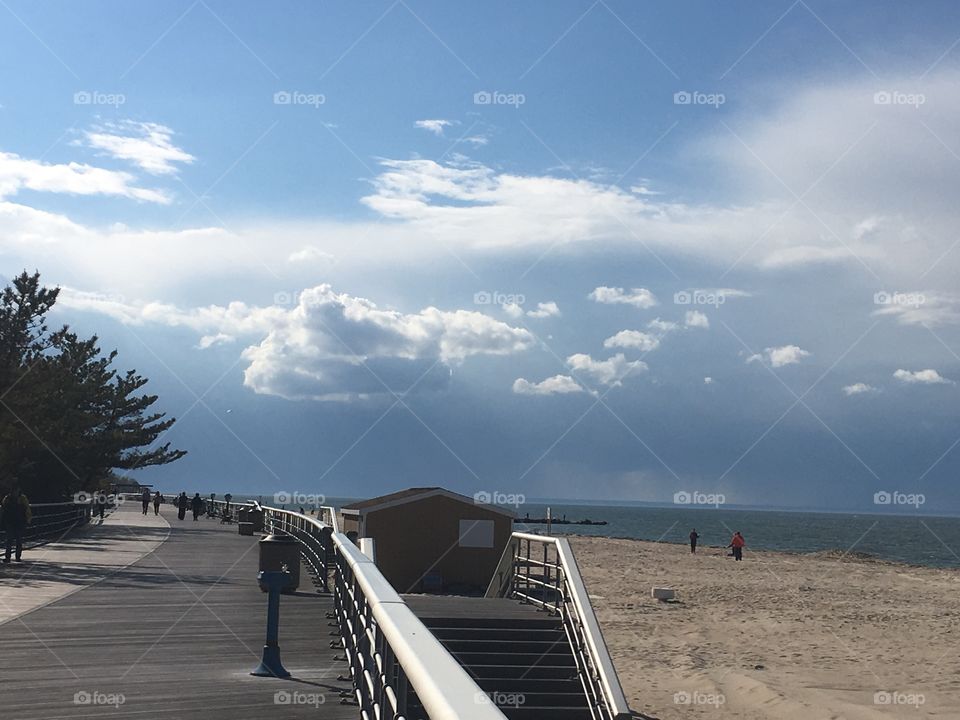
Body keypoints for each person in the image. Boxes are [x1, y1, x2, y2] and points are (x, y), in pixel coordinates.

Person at [1, 484, 31, 563]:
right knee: (10, 540)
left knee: (17, 540)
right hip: (11, 522)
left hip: (18, 522)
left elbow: (27, 509)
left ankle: (16, 556)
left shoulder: (21, 498)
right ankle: (8, 557)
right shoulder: (8, 498)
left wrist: (28, 519)